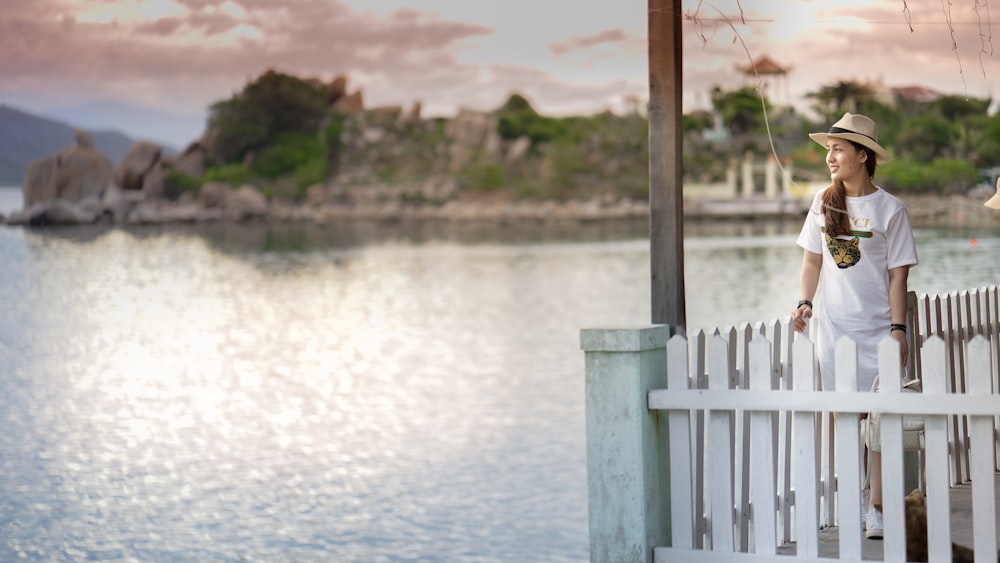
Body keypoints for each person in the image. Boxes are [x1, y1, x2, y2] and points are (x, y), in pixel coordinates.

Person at [790, 112, 919, 540]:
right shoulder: (823, 203)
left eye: (839, 148)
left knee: (879, 421)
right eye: (829, 149)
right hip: (836, 330)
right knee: (850, 417)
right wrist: (805, 302)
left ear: (862, 155)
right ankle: (860, 500)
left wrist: (898, 328)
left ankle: (878, 506)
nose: (831, 156)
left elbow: (898, 275)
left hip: (878, 328)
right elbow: (811, 261)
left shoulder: (890, 210)